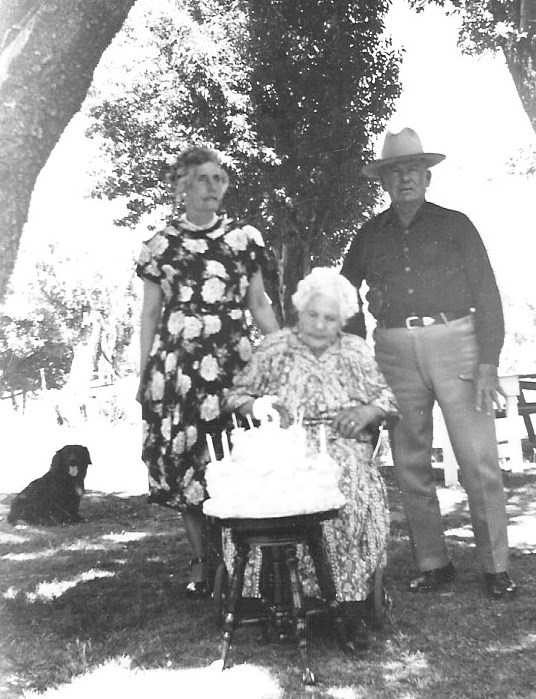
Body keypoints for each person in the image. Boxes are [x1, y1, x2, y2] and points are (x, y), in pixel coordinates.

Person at [341, 127, 517, 599]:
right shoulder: (369, 233)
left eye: (413, 171)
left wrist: (488, 362)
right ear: (383, 181)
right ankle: (432, 561)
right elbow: (343, 292)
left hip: (457, 342)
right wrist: (358, 347)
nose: (405, 180)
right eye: (395, 172)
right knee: (409, 459)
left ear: (427, 177)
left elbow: (487, 292)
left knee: (479, 459)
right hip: (394, 350)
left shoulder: (456, 224)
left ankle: (495, 565)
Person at [223, 267, 398, 649]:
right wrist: (261, 405)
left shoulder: (354, 349)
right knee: (269, 488)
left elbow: (387, 399)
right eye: (312, 314)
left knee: (344, 485)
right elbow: (234, 396)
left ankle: (348, 609)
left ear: (343, 320)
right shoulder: (274, 348)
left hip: (341, 443)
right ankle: (279, 598)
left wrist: (367, 413)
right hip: (286, 444)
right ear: (299, 310)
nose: (320, 324)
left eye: (330, 318)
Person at [136, 145, 279, 598]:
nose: (213, 187)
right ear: (182, 186)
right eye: (203, 179)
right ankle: (204, 562)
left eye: (219, 178)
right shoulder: (160, 245)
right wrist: (145, 376)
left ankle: (245, 562)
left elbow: (259, 304)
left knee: (238, 456)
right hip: (177, 371)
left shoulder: (244, 239)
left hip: (234, 366)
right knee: (189, 462)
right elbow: (150, 315)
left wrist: (283, 355)